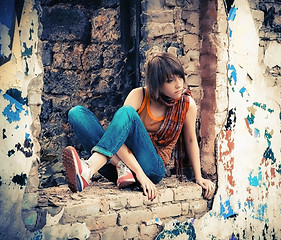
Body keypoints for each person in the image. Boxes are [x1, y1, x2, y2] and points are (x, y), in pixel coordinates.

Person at [62, 52, 215, 201]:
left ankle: (88, 169)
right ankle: (117, 167)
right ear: (157, 83)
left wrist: (199, 177)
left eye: (180, 77)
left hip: (152, 168)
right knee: (77, 113)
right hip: (120, 169)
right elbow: (117, 138)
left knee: (127, 113)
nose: (179, 84)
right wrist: (135, 172)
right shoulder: (139, 95)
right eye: (170, 80)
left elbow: (190, 140)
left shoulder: (186, 104)